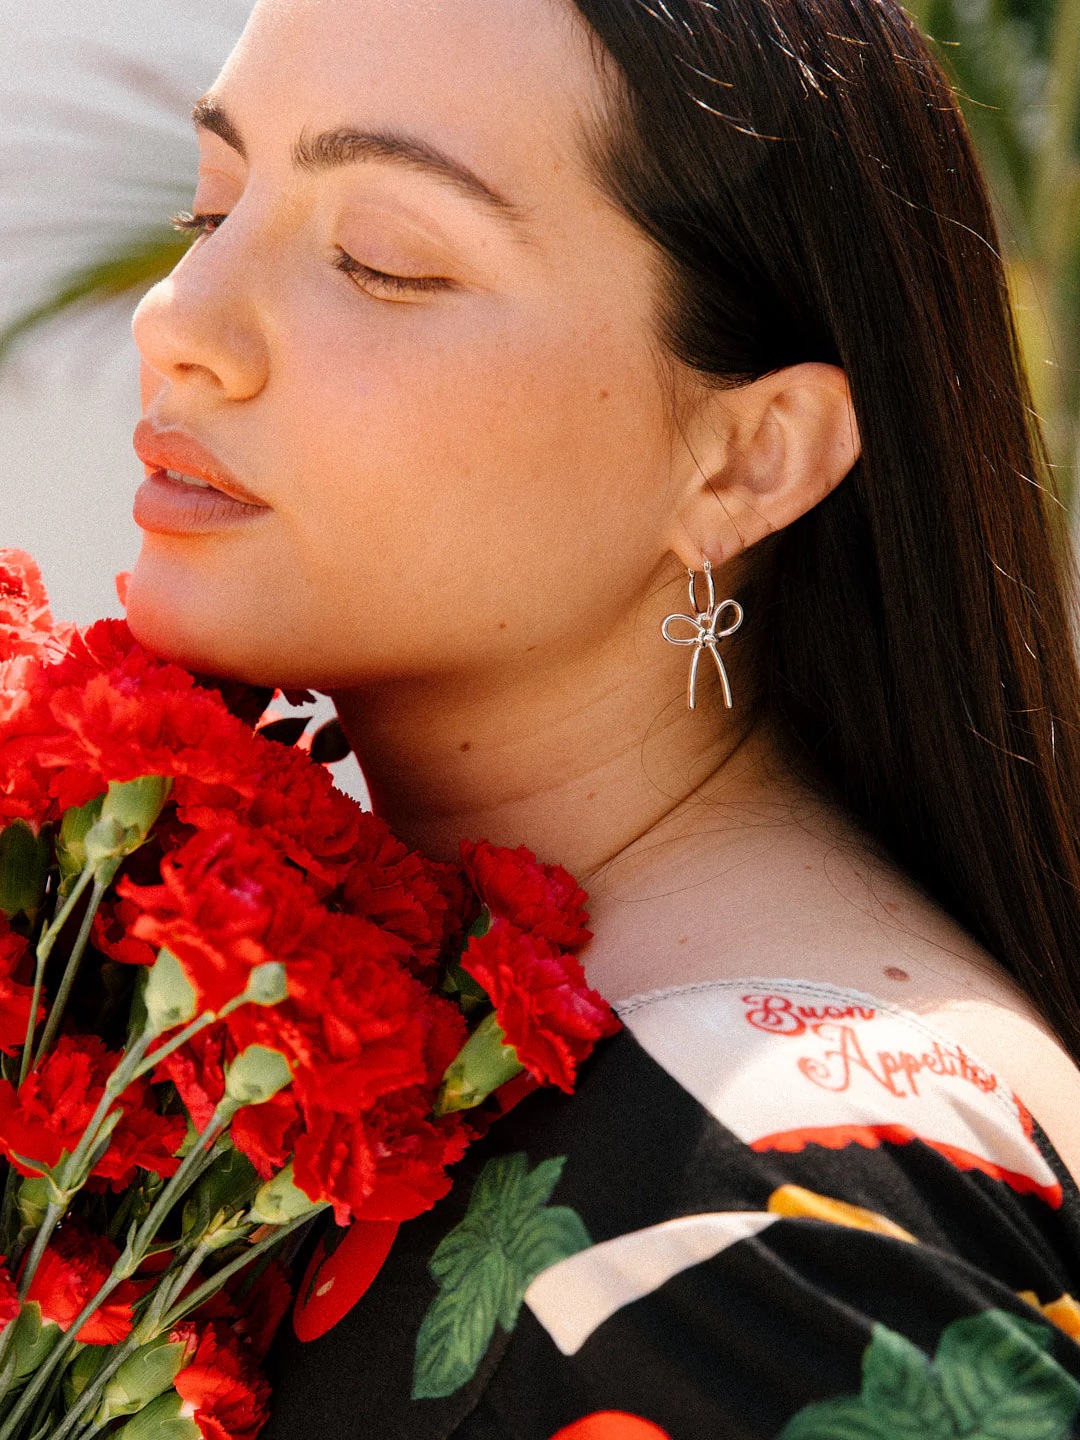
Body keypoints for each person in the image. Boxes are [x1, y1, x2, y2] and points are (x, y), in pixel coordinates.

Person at [124, 0, 1080, 1432]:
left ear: (747, 458)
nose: (180, 323)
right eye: (211, 209)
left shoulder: (761, 1233)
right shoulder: (457, 1049)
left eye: (382, 259)